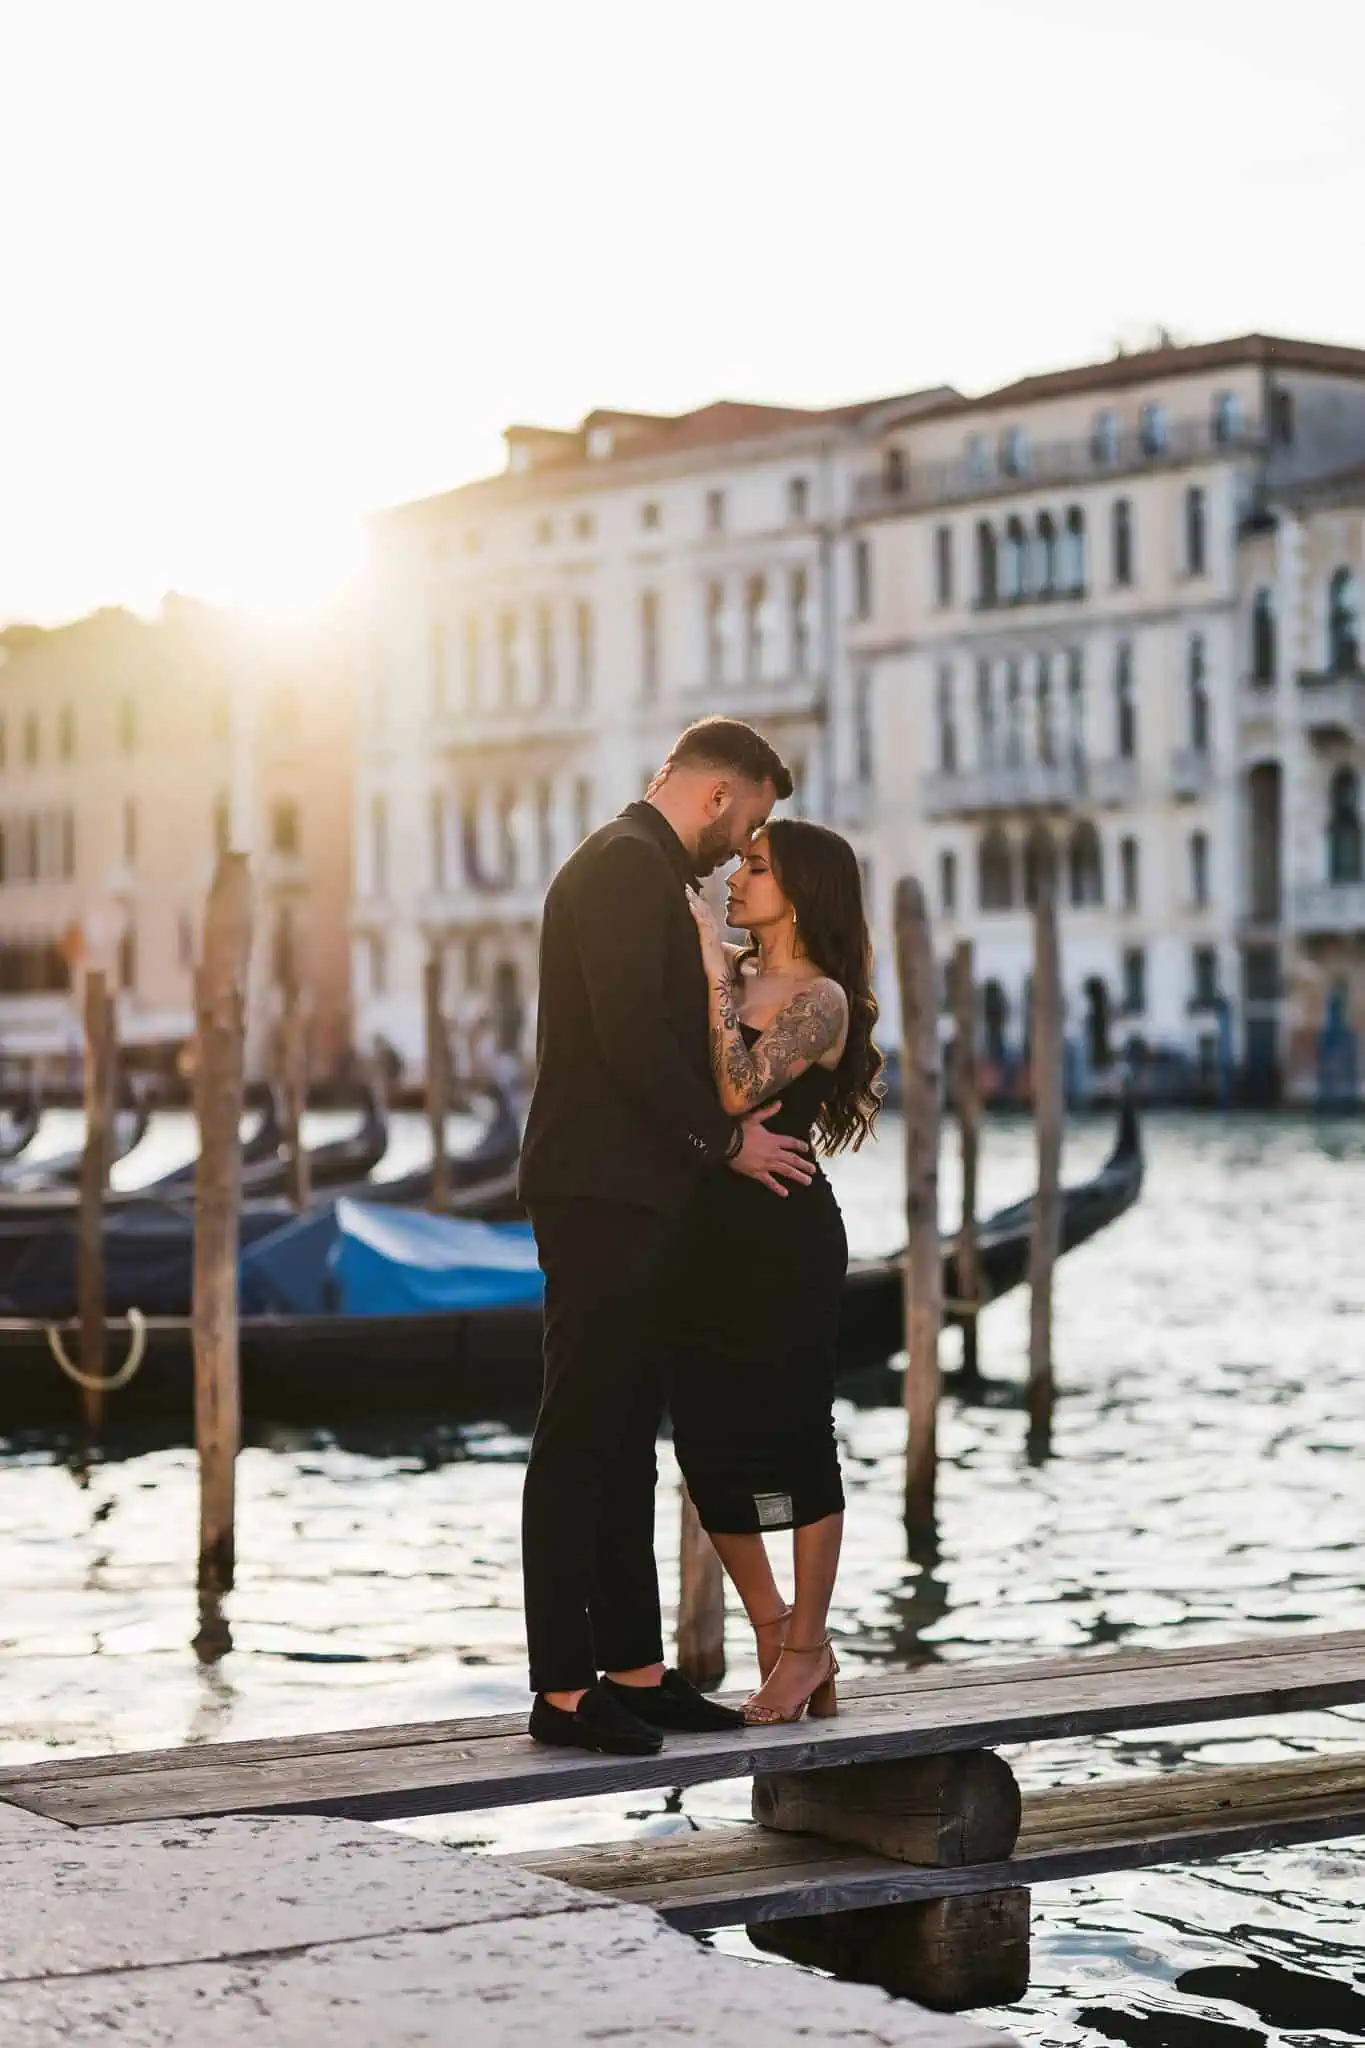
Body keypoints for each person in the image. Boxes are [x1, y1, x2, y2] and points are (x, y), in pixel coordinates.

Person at [518, 718, 814, 1757]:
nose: (745, 848)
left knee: (626, 1442)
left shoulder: (643, 872)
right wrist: (724, 1138)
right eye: (753, 822)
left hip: (638, 1191)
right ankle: (559, 1690)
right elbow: (627, 1038)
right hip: (597, 1190)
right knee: (577, 1437)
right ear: (718, 794)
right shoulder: (619, 868)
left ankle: (633, 1671)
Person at [678, 818, 883, 1725]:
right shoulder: (732, 975)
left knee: (794, 1434)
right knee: (703, 1439)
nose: (733, 876)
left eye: (754, 867)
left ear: (800, 889)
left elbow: (735, 1086)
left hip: (785, 1238)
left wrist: (715, 972)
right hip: (704, 1238)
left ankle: (804, 1648)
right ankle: (779, 1634)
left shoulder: (822, 999)